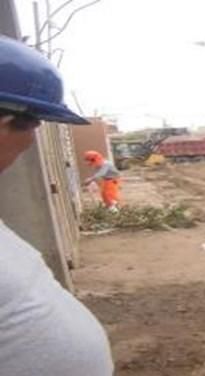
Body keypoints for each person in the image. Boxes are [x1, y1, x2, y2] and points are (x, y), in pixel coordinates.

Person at [0, 36, 114, 375]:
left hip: (111, 184)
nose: (32, 139)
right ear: (6, 122)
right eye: (36, 123)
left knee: (111, 198)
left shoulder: (102, 164)